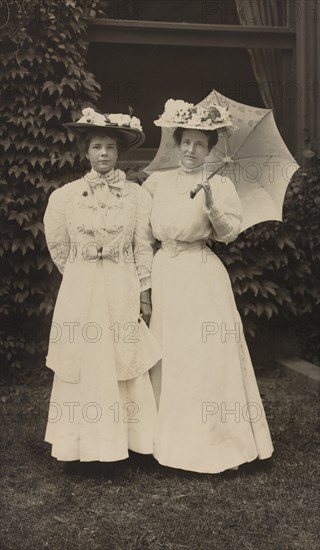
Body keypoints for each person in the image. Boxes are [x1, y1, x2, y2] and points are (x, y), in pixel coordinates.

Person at [142, 99, 274, 473]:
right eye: (186, 142)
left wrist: (213, 203)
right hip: (165, 274)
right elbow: (142, 234)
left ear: (210, 149)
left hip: (200, 274)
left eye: (200, 144)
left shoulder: (220, 184)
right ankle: (164, 443)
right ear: (176, 143)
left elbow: (229, 234)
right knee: (169, 353)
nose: (191, 150)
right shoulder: (156, 183)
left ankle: (217, 443)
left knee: (204, 355)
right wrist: (145, 287)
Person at [44, 107, 160, 462]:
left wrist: (144, 291)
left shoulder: (137, 196)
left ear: (118, 152)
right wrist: (82, 272)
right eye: (97, 146)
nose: (104, 154)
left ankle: (126, 442)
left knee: (121, 353)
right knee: (84, 355)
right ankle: (78, 443)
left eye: (110, 146)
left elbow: (142, 246)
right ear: (86, 151)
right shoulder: (64, 196)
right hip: (81, 284)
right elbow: (58, 245)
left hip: (120, 281)